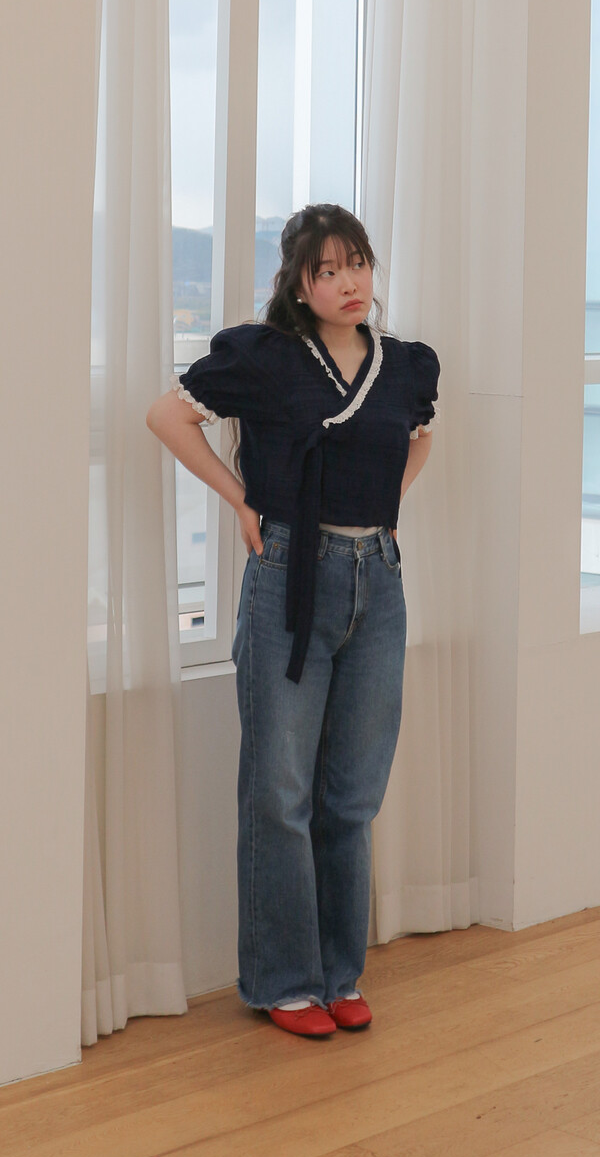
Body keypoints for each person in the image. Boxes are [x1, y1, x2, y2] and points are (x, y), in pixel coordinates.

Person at [146, 203, 439, 1038]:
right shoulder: (268, 357)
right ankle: (285, 982)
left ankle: (340, 974)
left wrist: (384, 509)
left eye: (358, 264)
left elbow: (420, 437)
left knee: (353, 792)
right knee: (280, 790)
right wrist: (242, 500)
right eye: (328, 270)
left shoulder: (403, 363)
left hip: (378, 582)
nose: (349, 283)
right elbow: (167, 416)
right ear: (299, 284)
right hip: (288, 576)